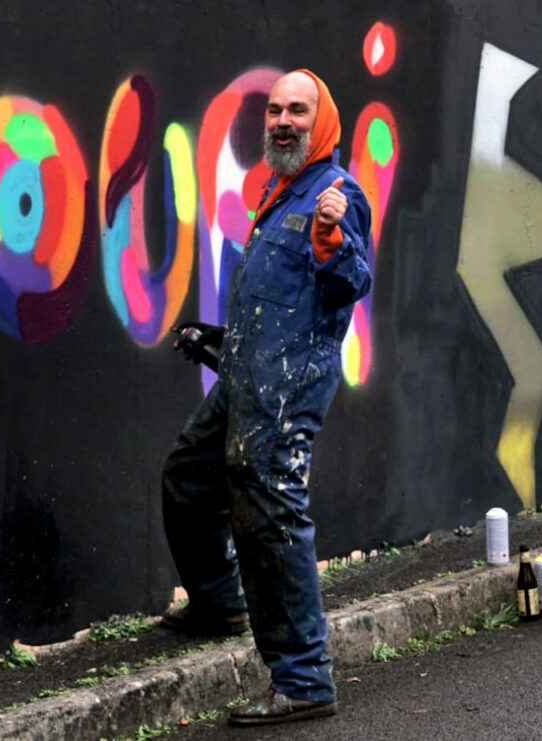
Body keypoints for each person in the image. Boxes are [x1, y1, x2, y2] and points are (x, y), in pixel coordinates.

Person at [162, 69, 372, 727]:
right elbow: (277, 305)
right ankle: (221, 600)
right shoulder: (281, 190)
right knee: (189, 479)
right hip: (245, 376)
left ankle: (305, 677)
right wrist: (217, 340)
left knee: (270, 514)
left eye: (298, 111)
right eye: (276, 110)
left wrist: (332, 241)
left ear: (323, 123)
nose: (283, 120)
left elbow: (349, 283)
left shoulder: (335, 195)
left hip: (284, 392)